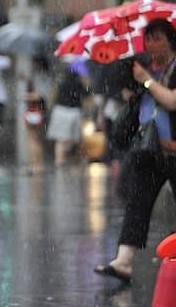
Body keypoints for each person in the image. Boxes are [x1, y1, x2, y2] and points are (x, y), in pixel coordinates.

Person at [95, 18, 176, 284]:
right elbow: (130, 99)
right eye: (148, 38)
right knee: (136, 205)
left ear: (169, 40)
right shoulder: (142, 67)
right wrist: (134, 78)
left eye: (157, 38)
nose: (151, 44)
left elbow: (173, 101)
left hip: (173, 151)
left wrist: (148, 82)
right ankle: (124, 260)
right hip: (148, 151)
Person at [46, 64, 89, 166]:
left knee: (60, 140)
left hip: (60, 110)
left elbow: (53, 96)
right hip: (74, 111)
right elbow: (86, 96)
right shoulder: (79, 84)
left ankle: (59, 160)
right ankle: (79, 159)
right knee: (76, 138)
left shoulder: (61, 83)